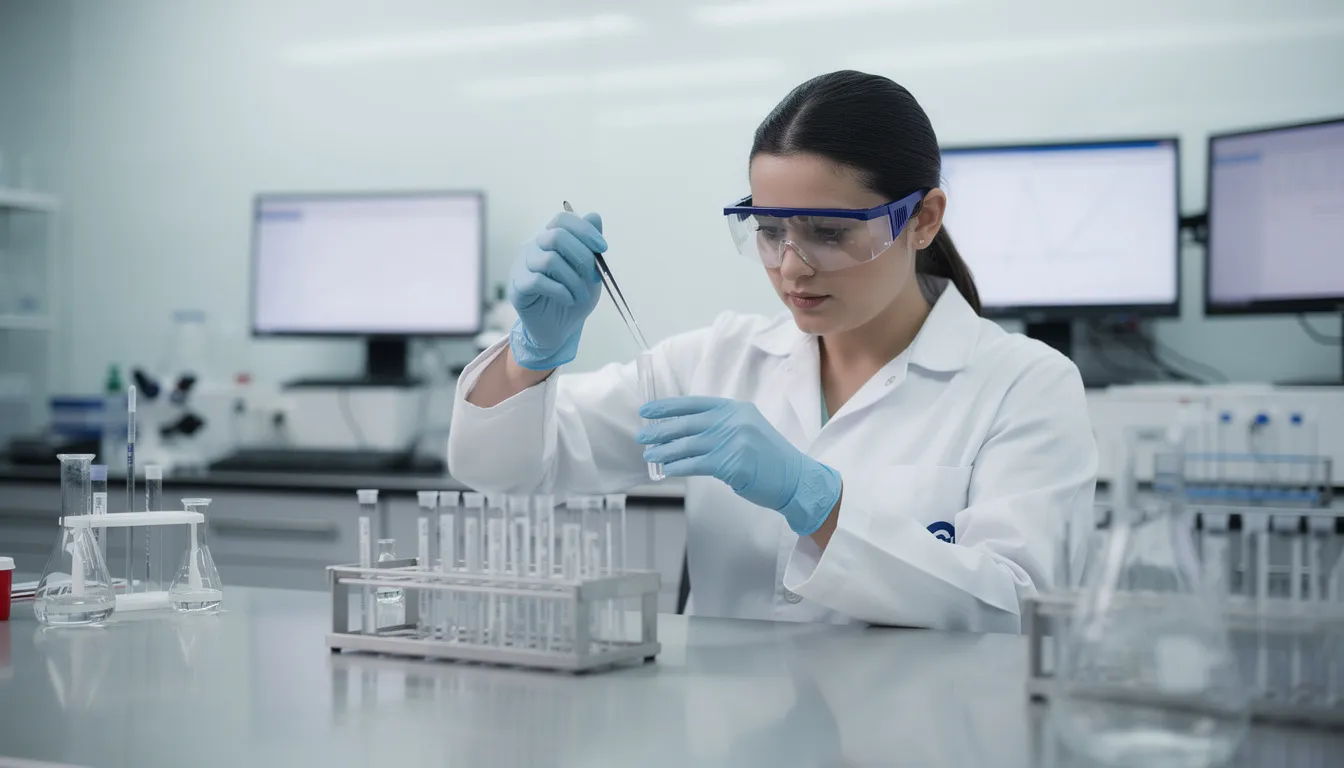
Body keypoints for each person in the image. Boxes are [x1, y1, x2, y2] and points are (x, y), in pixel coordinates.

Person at [448, 70, 1097, 633]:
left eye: (829, 233)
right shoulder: (715, 361)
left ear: (922, 219)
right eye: (768, 230)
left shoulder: (1025, 385)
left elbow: (1019, 610)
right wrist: (533, 353)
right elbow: (508, 473)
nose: (792, 267)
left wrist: (819, 501)